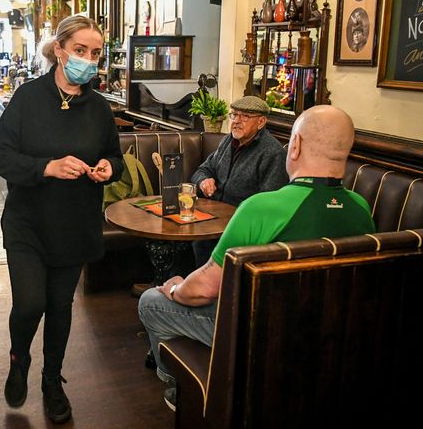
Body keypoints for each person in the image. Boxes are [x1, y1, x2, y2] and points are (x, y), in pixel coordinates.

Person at [138, 105, 377, 411]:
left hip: (260, 333)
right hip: (333, 337)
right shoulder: (361, 208)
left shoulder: (261, 208)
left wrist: (173, 288)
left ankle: (179, 386)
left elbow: (204, 289)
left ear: (296, 146)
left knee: (150, 301)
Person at [0, 15, 124, 424]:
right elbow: (2, 158)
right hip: (28, 222)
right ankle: (19, 358)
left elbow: (116, 158)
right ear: (60, 50)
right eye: (81, 50)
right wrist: (46, 168)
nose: (89, 59)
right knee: (31, 303)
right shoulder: (27, 98)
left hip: (75, 223)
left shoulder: (99, 107)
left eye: (96, 53)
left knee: (60, 306)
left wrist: (107, 168)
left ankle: (52, 380)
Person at [189, 95, 289, 266]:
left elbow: (268, 205)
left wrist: (237, 222)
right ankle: (173, 283)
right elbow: (203, 170)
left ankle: (200, 290)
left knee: (199, 242)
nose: (236, 121)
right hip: (211, 219)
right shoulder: (229, 140)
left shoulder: (273, 153)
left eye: (245, 116)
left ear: (261, 122)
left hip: (240, 226)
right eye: (234, 115)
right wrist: (203, 181)